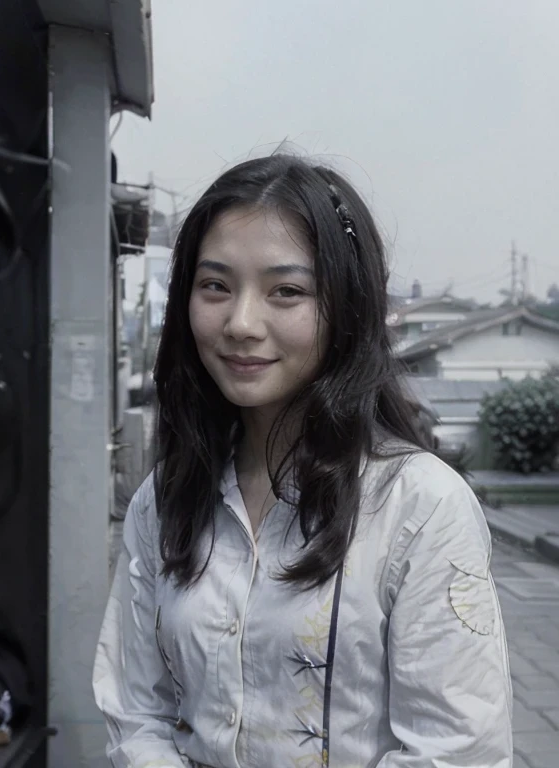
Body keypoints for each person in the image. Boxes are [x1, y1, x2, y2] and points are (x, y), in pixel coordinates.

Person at [93, 155, 513, 768]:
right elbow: (137, 714)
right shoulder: (165, 498)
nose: (240, 323)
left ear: (347, 306)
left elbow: (459, 752)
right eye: (215, 286)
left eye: (286, 291)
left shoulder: (419, 507)